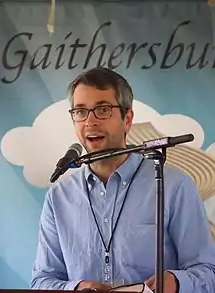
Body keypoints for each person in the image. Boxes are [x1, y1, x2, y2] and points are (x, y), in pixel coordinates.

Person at [31, 67, 215, 293]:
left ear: (127, 119)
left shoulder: (173, 186)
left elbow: (208, 273)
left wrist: (177, 283)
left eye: (103, 109)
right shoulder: (59, 197)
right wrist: (77, 288)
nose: (90, 121)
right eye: (80, 112)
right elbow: (42, 281)